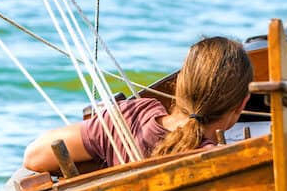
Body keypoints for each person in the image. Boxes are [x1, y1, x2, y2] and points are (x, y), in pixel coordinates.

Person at [21, 36, 257, 173]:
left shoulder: (132, 116)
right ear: (241, 104)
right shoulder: (221, 161)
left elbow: (35, 155)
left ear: (178, 85)